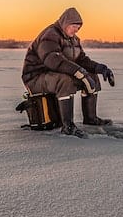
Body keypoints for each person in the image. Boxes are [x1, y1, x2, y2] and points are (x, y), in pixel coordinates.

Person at [22, 7, 115, 138]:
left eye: (78, 27)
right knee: (65, 80)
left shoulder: (74, 40)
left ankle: (90, 118)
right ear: (65, 23)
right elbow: (52, 60)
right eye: (74, 26)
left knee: (91, 76)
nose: (76, 30)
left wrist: (101, 68)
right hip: (35, 77)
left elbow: (82, 60)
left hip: (53, 74)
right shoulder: (50, 35)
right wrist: (78, 72)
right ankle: (68, 126)